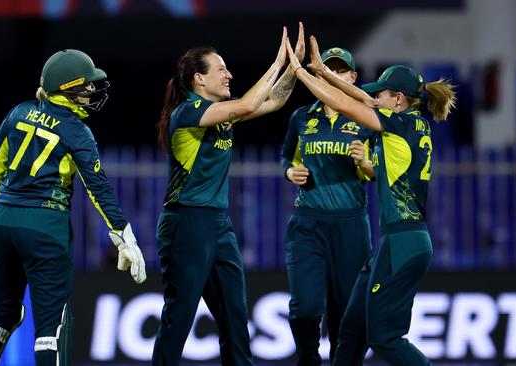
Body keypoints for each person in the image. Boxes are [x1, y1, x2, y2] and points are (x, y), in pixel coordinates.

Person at [0, 49, 147, 366]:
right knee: (51, 325)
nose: (91, 91)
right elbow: (96, 185)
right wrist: (122, 235)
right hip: (46, 224)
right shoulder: (77, 131)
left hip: (4, 221)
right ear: (68, 88)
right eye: (86, 86)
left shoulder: (18, 113)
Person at [286, 36, 456, 366]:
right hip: (398, 242)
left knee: (384, 338)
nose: (374, 96)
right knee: (351, 331)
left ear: (399, 99)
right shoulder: (409, 122)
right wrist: (323, 70)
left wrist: (301, 73)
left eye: (382, 93)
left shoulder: (397, 125)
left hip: (402, 243)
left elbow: (352, 105)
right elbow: (362, 98)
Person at [152, 24, 304, 366]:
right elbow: (250, 105)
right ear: (198, 80)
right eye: (220, 69)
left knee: (235, 317)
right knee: (179, 318)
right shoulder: (188, 114)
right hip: (186, 223)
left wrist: (294, 68)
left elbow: (275, 100)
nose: (229, 74)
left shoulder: (221, 117)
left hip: (218, 225)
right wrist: (278, 60)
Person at [281, 46, 373, 365]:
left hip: (350, 224)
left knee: (347, 311)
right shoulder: (302, 117)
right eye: (327, 69)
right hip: (308, 221)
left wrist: (366, 163)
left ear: (353, 77)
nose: (332, 75)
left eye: (339, 70)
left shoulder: (364, 119)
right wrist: (290, 171)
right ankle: (308, 358)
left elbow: (382, 173)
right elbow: (286, 156)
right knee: (305, 307)